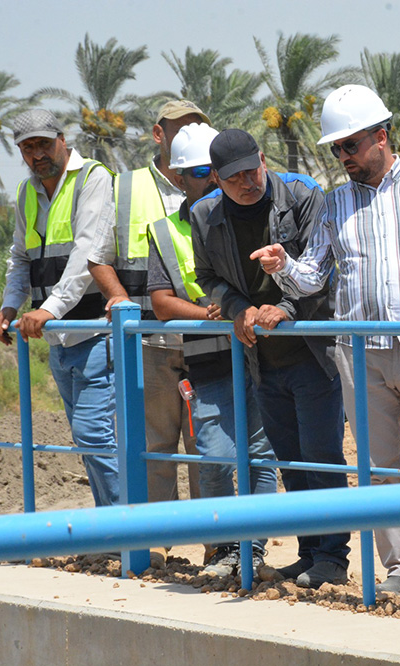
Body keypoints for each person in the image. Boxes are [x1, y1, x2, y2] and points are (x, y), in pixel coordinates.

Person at [251, 84, 400, 606]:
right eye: (336, 149)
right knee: (378, 470)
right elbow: (313, 275)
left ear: (381, 137)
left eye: (350, 146)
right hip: (360, 354)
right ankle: (399, 570)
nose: (343, 157)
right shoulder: (336, 203)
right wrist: (283, 266)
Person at [190, 127, 350, 590]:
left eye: (251, 169)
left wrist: (284, 308)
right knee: (290, 459)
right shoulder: (204, 217)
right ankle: (309, 552)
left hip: (311, 352)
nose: (247, 182)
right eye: (234, 177)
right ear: (217, 180)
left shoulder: (303, 197)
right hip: (263, 360)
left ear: (263, 158)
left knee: (322, 456)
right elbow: (207, 277)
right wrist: (240, 310)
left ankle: (333, 558)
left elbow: (323, 270)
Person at [145, 122, 279, 576]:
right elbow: (161, 302)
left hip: (261, 355)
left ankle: (253, 550)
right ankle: (223, 550)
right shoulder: (167, 231)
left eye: (213, 169)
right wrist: (213, 314)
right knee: (217, 456)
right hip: (209, 356)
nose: (208, 179)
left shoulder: (254, 208)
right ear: (178, 177)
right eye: (198, 171)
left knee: (262, 455)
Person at [87, 101, 208, 561]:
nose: (191, 136)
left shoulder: (213, 177)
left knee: (207, 446)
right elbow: (98, 255)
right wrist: (118, 298)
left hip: (206, 341)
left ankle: (215, 546)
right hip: (149, 342)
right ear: (159, 134)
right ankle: (158, 546)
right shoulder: (125, 187)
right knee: (155, 446)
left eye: (199, 128)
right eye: (182, 130)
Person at [0, 109, 120, 507]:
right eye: (27, 148)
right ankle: (110, 529)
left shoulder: (92, 177)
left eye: (44, 144)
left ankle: (130, 532)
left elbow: (88, 252)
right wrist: (9, 306)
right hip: (58, 339)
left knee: (94, 433)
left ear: (62, 140)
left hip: (97, 330)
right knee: (86, 439)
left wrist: (49, 308)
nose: (36, 154)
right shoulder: (27, 193)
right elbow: (19, 258)